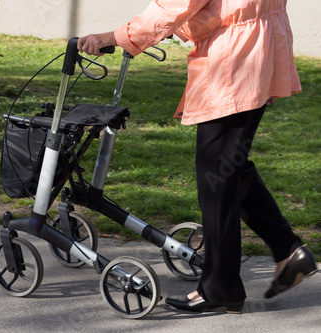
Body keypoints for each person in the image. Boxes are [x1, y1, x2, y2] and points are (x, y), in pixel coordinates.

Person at [78, 0, 318, 313]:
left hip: (234, 57)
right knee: (229, 166)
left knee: (216, 177)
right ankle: (288, 251)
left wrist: (113, 37)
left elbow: (175, 5)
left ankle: (220, 286)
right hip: (259, 44)